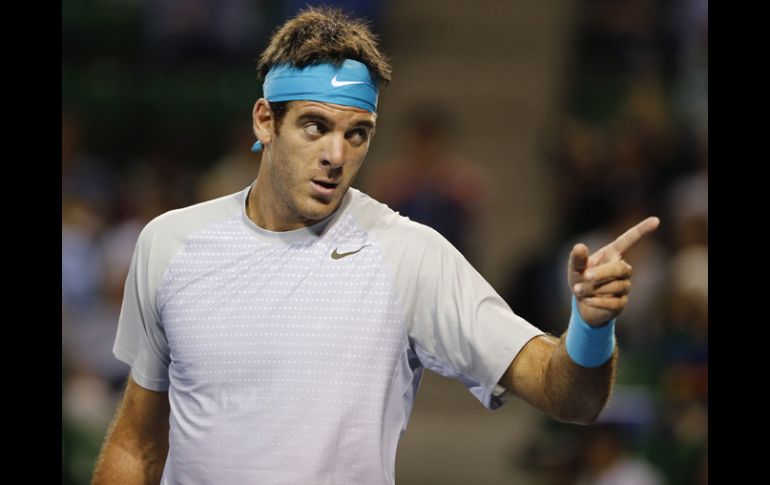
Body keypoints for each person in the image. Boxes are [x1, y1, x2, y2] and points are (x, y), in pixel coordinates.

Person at [91, 7, 660, 484]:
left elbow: (572, 399)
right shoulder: (169, 244)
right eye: (315, 126)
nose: (337, 156)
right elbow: (137, 447)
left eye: (356, 133)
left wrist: (590, 326)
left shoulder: (409, 256)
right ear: (266, 121)